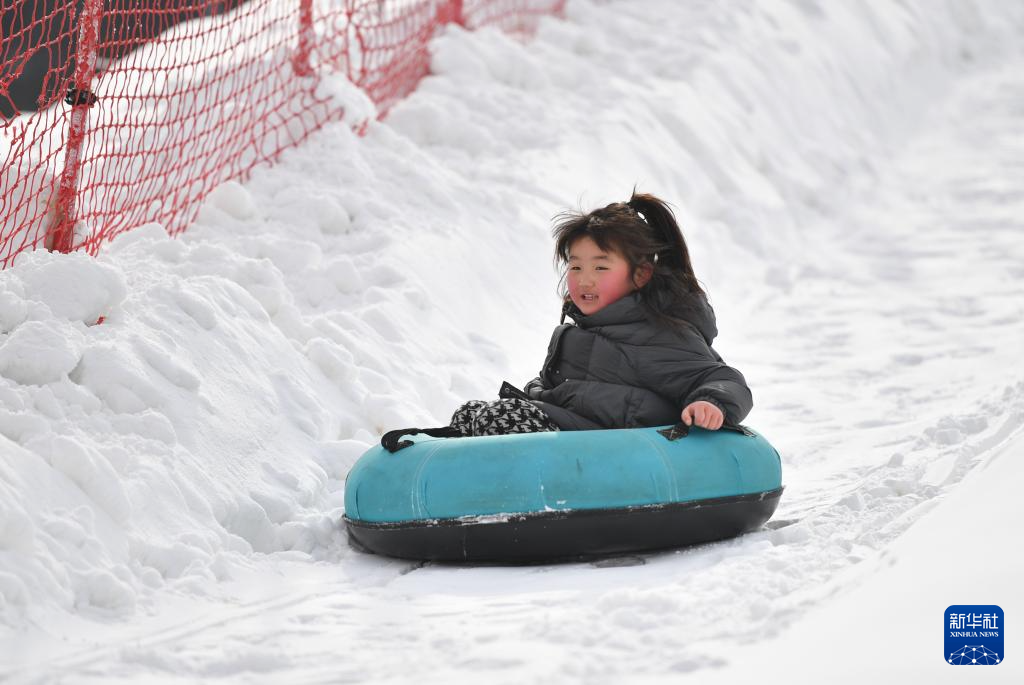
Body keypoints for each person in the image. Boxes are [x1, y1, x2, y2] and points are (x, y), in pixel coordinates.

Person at [438, 190, 752, 440]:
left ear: (640, 274)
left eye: (600, 267)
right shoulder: (575, 333)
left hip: (615, 446)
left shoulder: (660, 332)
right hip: (576, 435)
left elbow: (721, 377)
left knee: (498, 419)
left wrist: (711, 402)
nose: (584, 279)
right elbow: (555, 386)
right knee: (469, 414)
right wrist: (531, 395)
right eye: (576, 267)